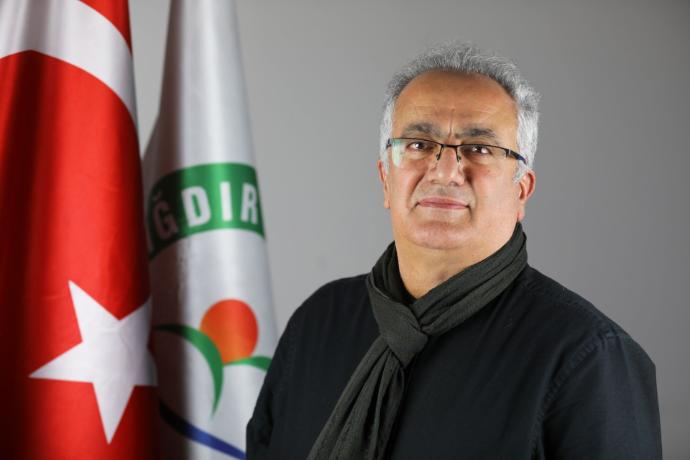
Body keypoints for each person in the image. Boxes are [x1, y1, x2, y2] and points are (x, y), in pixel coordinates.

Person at [246, 43, 662, 459]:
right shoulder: (318, 324)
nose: (444, 172)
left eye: (479, 148)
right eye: (418, 144)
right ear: (385, 179)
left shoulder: (589, 357)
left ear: (521, 191)